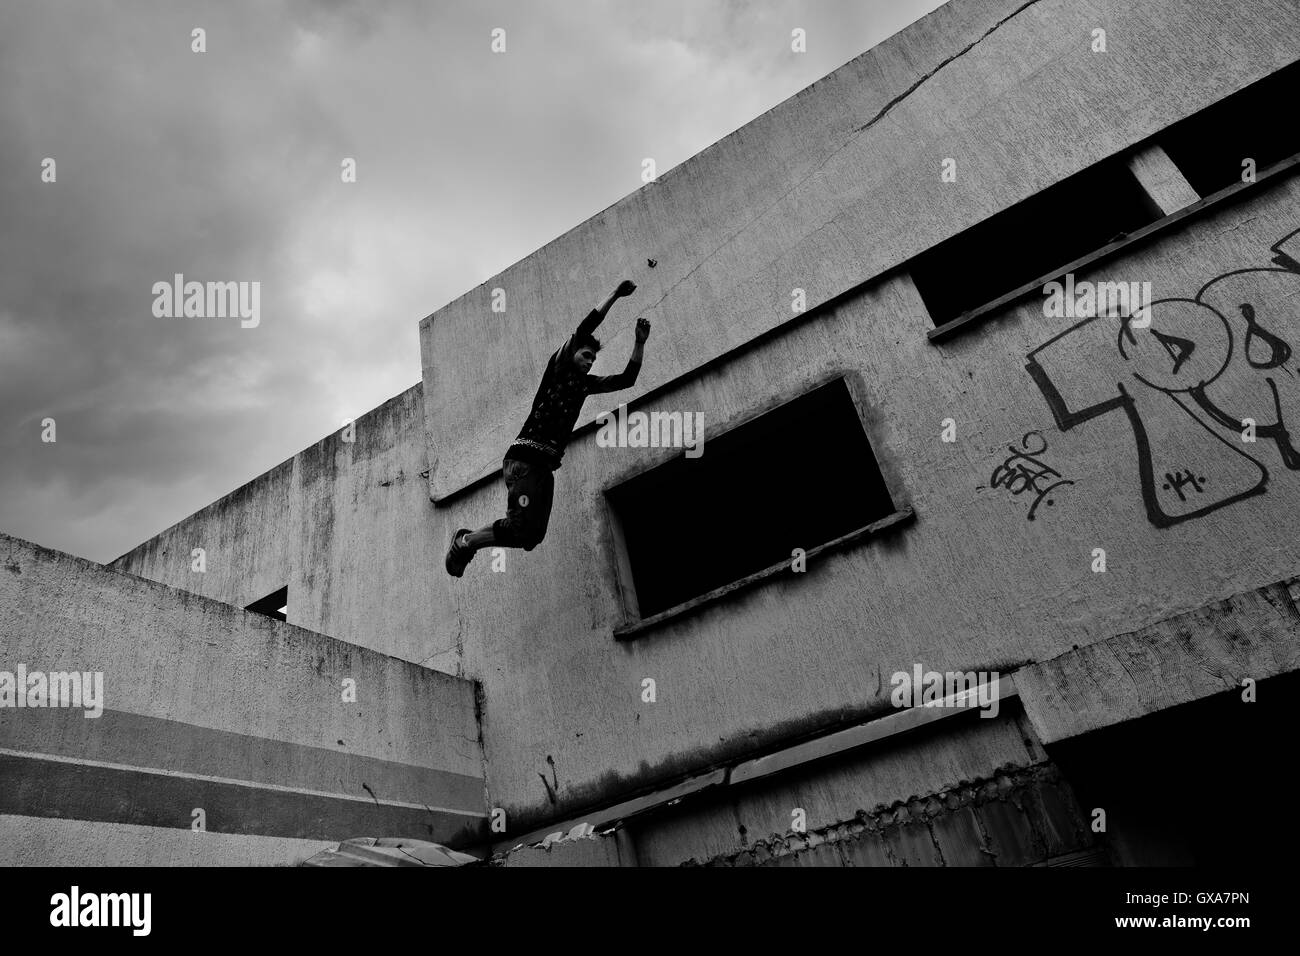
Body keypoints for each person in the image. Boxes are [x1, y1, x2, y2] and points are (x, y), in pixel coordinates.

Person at [445, 279, 651, 577]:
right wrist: (616, 295)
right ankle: (465, 542)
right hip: (524, 462)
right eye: (586, 355)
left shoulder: (585, 385)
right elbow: (587, 325)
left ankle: (469, 541)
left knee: (532, 536)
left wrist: (640, 342)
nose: (590, 361)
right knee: (519, 523)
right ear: (572, 353)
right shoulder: (559, 367)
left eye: (593, 358)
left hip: (544, 469)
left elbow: (626, 379)